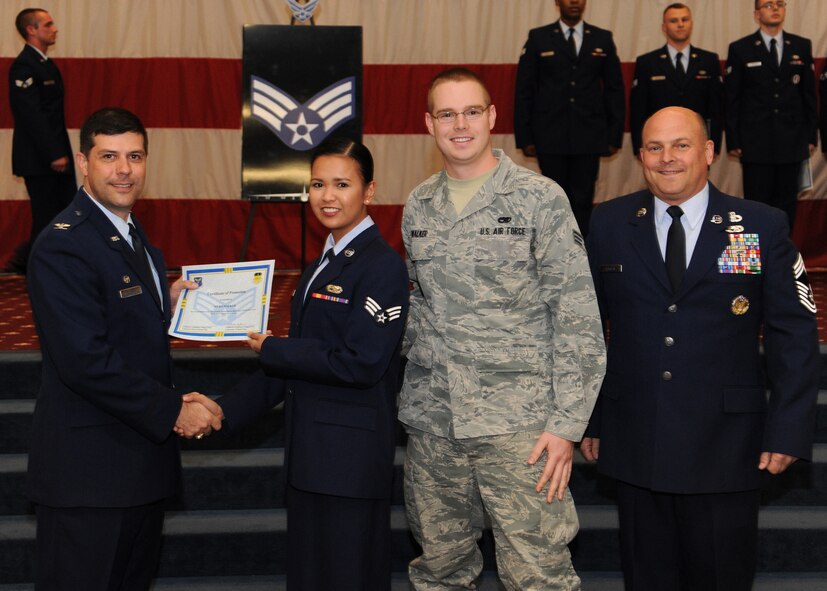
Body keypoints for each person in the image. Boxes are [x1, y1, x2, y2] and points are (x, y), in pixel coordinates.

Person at [582, 106, 820, 591]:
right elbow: (582, 331)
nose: (667, 158)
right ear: (641, 155)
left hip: (727, 447)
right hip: (635, 439)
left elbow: (793, 335)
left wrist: (788, 428)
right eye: (654, 147)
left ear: (708, 152)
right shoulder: (607, 224)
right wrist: (590, 419)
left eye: (681, 145)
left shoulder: (758, 225)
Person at [400, 67, 606, 590]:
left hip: (521, 427)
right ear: (429, 123)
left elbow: (578, 319)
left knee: (538, 574)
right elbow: (417, 306)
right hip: (435, 424)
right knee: (440, 571)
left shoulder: (540, 198)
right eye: (447, 114)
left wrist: (566, 426)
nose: (460, 124)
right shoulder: (418, 206)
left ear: (492, 117)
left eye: (472, 111)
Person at [26, 107, 223, 591]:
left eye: (134, 156)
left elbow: (122, 322)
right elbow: (84, 362)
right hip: (89, 476)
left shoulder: (132, 235)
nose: (124, 169)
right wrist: (174, 409)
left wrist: (167, 301)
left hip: (135, 467)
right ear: (83, 162)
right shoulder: (63, 244)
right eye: (109, 156)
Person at [210, 137, 409, 590]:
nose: (327, 196)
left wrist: (275, 348)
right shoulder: (324, 258)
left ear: (369, 191)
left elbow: (361, 363)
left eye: (342, 184)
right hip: (310, 458)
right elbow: (297, 364)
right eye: (318, 184)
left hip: (349, 464)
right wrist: (224, 410)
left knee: (348, 577)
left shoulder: (382, 266)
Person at [514, 0, 625, 236]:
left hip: (590, 134)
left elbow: (614, 89)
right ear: (557, 2)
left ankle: (581, 252)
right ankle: (553, 253)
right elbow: (524, 88)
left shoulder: (602, 38)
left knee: (583, 199)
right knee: (553, 199)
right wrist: (524, 136)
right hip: (549, 134)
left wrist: (614, 135)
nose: (574, 1)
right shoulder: (539, 37)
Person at [724, 0, 817, 230]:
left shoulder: (801, 46)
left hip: (791, 141)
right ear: (756, 14)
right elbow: (732, 99)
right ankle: (757, 263)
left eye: (779, 4)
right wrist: (734, 139)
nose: (775, 8)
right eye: (768, 4)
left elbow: (809, 97)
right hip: (755, 143)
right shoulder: (740, 48)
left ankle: (782, 260)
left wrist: (810, 137)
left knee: (787, 206)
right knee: (756, 205)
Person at [7, 8, 77, 274]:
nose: (55, 28)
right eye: (48, 24)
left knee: (63, 213)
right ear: (31, 30)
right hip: (40, 158)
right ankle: (37, 268)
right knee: (48, 215)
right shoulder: (24, 66)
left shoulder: (45, 64)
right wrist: (53, 154)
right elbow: (30, 114)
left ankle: (30, 260)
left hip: (55, 154)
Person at [629, 3, 723, 155]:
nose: (680, 24)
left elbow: (716, 109)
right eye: (674, 21)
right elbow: (638, 110)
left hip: (697, 143)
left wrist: (714, 145)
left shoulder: (708, 60)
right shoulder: (647, 63)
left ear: (691, 24)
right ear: (663, 27)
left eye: (684, 20)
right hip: (659, 145)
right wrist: (640, 147)